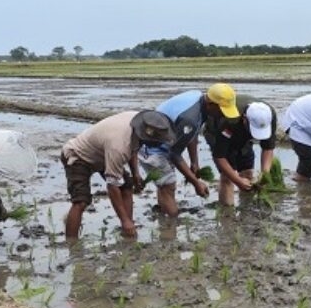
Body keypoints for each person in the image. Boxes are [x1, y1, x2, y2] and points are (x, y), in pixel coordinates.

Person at [62, 110, 176, 238]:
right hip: (78, 156)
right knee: (80, 202)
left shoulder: (141, 122)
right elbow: (112, 186)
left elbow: (133, 147)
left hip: (102, 155)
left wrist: (135, 173)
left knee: (127, 186)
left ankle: (128, 230)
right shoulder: (119, 146)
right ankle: (72, 246)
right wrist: (124, 220)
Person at [139, 83, 240, 216]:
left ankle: (164, 217)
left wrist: (194, 162)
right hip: (151, 145)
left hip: (164, 139)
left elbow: (193, 133)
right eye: (221, 110)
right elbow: (174, 154)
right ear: (211, 104)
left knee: (166, 184)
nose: (222, 115)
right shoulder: (190, 118)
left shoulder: (199, 98)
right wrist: (196, 182)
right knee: (168, 186)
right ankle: (171, 225)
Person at [204, 95, 276, 206]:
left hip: (243, 134)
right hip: (217, 132)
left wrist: (265, 173)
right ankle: (227, 214)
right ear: (245, 119)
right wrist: (237, 180)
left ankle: (246, 208)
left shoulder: (269, 116)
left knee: (247, 172)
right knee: (227, 177)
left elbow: (268, 148)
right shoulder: (229, 121)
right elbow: (220, 157)